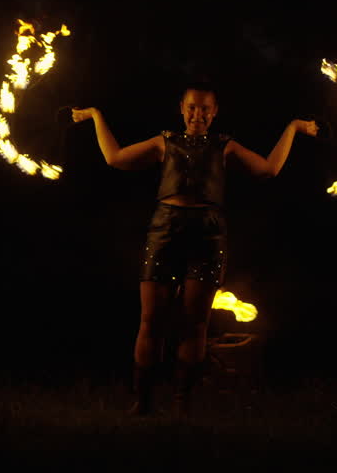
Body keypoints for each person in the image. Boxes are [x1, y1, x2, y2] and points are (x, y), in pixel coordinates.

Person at [72, 82, 317, 416]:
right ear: (181, 109)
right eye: (191, 107)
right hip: (165, 229)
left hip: (207, 233)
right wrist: (96, 117)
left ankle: (182, 406)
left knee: (195, 323)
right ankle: (142, 404)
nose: (197, 114)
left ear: (214, 113)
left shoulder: (224, 146)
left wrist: (292, 128)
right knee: (151, 320)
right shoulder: (165, 142)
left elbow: (268, 169)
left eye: (205, 109)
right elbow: (115, 159)